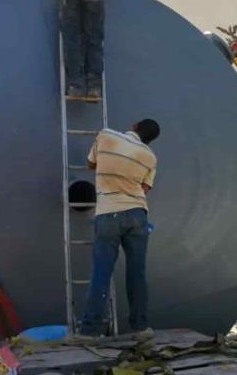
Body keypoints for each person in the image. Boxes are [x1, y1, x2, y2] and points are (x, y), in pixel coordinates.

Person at [79, 119, 160, 336]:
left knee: (101, 273)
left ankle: (90, 330)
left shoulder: (106, 135)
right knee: (137, 273)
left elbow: (91, 164)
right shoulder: (150, 156)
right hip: (137, 213)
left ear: (134, 126)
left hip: (108, 213)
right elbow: (144, 188)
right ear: (150, 140)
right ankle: (140, 327)